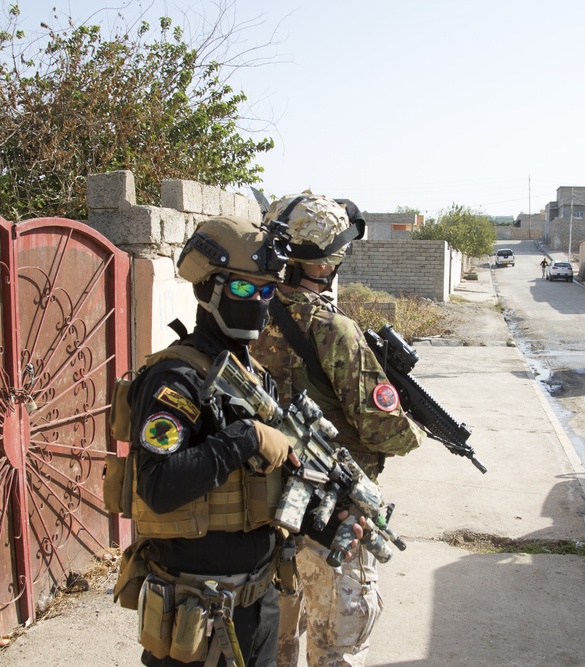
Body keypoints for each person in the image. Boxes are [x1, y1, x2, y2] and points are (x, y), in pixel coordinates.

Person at [249, 193, 425, 667]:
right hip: (333, 511)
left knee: (275, 641)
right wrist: (405, 418)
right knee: (338, 645)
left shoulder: (247, 311)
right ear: (327, 262)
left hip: (265, 505)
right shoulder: (332, 327)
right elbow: (384, 431)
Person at [122, 214, 299, 666]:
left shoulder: (254, 379)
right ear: (209, 289)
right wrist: (243, 438)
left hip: (260, 601)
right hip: (196, 615)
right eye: (244, 288)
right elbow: (158, 487)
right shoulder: (174, 379)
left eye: (266, 290)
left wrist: (331, 514)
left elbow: (279, 487)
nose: (258, 301)